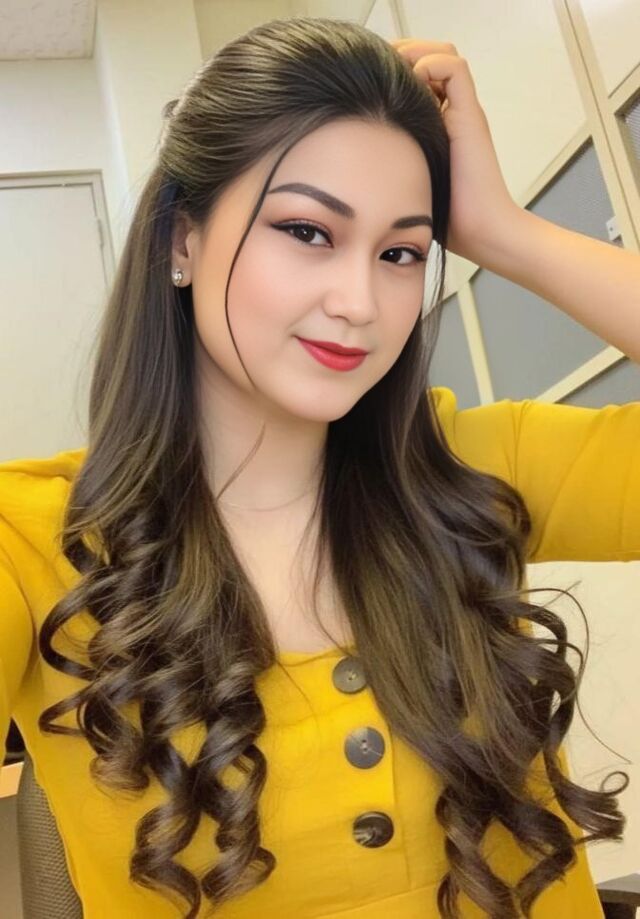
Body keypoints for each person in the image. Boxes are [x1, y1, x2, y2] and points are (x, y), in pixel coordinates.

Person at [1, 16, 639, 919]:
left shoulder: (469, 468)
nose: (360, 302)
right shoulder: (32, 543)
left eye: (400, 252)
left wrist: (507, 233)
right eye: (307, 231)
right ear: (182, 241)